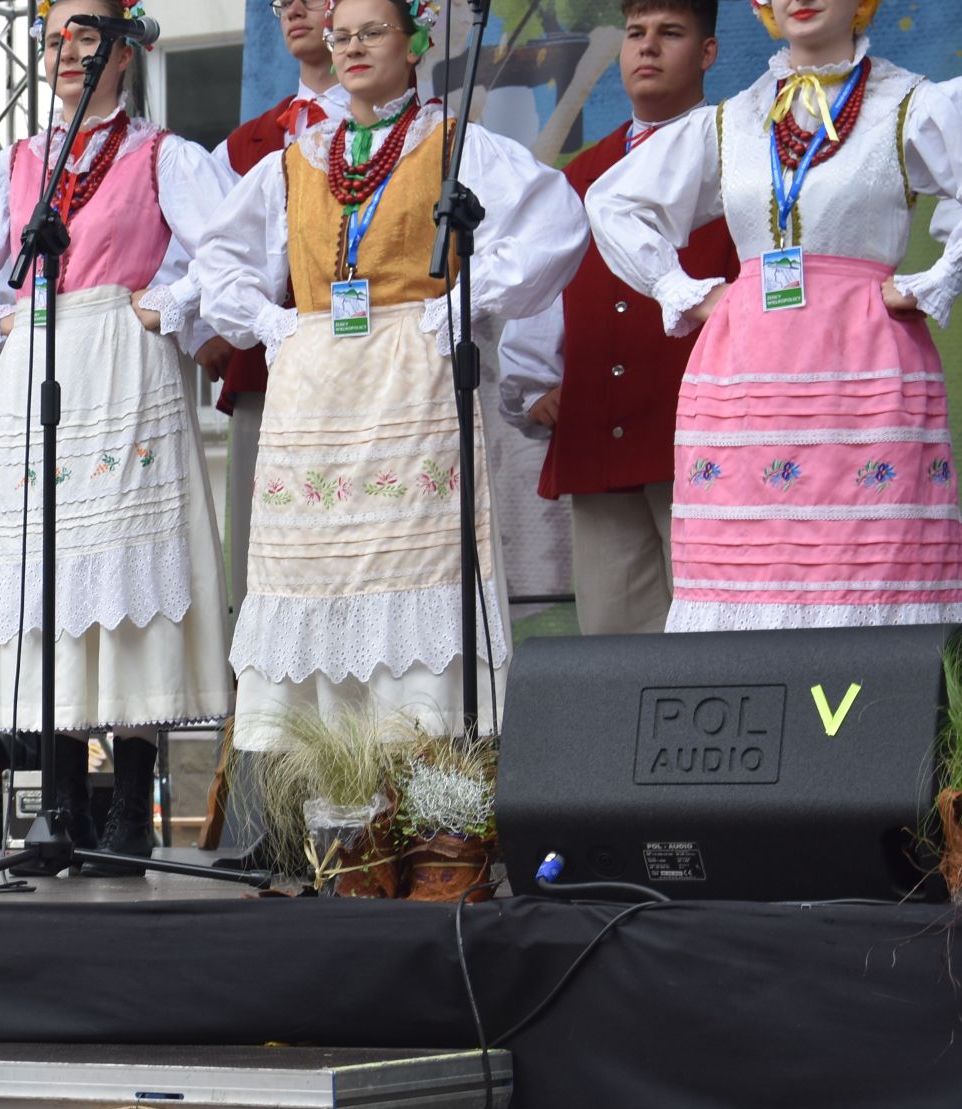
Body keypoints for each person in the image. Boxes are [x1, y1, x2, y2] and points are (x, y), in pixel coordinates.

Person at [182, 0, 584, 749]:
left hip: (412, 375)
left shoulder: (455, 146)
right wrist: (271, 322)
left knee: (417, 563)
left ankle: (425, 775)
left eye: (373, 32)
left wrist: (460, 304)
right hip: (315, 388)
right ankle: (329, 787)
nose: (354, 48)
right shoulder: (296, 161)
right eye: (342, 36)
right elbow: (219, 264)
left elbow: (555, 223)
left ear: (416, 42)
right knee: (317, 572)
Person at [0, 0, 232, 865]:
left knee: (125, 569)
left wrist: (170, 301)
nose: (67, 52)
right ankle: (64, 807)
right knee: (46, 577)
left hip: (121, 355)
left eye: (87, 36)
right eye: (54, 40)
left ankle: (132, 806)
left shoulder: (161, 155)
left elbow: (235, 243)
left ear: (124, 53)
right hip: (36, 354)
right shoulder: (16, 164)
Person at [586, 0, 962, 633]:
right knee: (749, 570)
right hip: (747, 370)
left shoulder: (908, 103)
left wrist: (938, 277)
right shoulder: (737, 118)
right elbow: (614, 202)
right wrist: (683, 291)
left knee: (865, 566)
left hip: (863, 362)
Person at [495, 0, 737, 637]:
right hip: (601, 440)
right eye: (635, 33)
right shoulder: (578, 175)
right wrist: (533, 384)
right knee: (614, 642)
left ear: (707, 53)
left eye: (670, 33)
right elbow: (541, 285)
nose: (647, 47)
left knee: (720, 634)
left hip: (709, 443)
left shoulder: (740, 155)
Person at [205, 0, 350, 614]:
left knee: (365, 544)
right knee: (263, 556)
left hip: (374, 371)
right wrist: (209, 328)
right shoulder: (248, 142)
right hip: (266, 376)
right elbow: (201, 252)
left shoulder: (418, 132)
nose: (292, 8)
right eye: (282, 0)